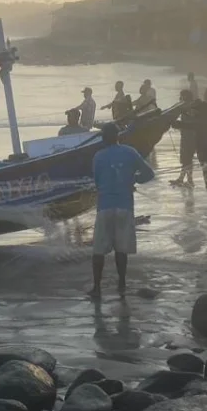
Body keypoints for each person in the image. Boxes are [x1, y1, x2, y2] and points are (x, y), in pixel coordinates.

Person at [90, 123, 155, 298]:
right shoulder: (130, 152)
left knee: (98, 250)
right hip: (124, 206)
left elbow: (96, 181)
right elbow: (149, 174)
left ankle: (96, 287)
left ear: (103, 138)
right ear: (118, 137)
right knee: (121, 248)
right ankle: (121, 283)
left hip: (105, 206)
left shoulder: (98, 156)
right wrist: (134, 179)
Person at [174, 101, 207, 211]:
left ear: (201, 112)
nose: (194, 112)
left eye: (196, 111)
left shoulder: (203, 123)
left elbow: (184, 125)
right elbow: (191, 122)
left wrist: (170, 120)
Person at [172, 89, 196, 187]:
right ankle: (182, 178)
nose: (181, 98)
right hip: (186, 135)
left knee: (187, 158)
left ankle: (190, 180)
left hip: (190, 136)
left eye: (182, 96)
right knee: (186, 158)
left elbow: (190, 119)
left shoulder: (189, 106)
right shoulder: (186, 106)